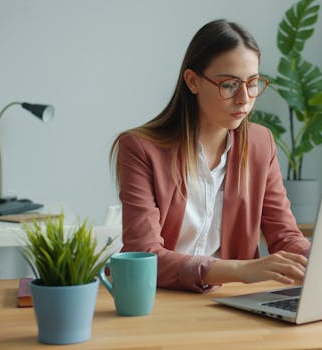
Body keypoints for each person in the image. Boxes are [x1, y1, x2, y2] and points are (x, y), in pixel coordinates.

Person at [110, 19, 310, 293]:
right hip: (160, 299)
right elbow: (144, 255)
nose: (244, 99)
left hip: (231, 302)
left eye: (252, 83)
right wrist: (240, 270)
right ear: (193, 81)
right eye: (229, 85)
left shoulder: (260, 143)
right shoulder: (141, 148)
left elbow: (285, 236)